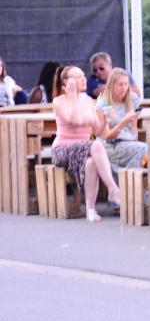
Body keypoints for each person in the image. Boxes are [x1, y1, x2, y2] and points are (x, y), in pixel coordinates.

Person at [50, 66, 121, 222]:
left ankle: (90, 210)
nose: (83, 79)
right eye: (78, 77)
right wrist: (73, 95)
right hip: (63, 149)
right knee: (94, 145)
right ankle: (113, 189)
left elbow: (96, 131)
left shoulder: (88, 100)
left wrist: (107, 120)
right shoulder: (59, 101)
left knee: (91, 163)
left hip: (85, 148)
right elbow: (74, 120)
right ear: (66, 82)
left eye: (83, 75)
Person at [95, 67, 146, 172]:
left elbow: (134, 136)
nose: (124, 88)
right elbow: (106, 137)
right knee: (144, 149)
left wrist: (132, 121)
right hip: (109, 145)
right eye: (120, 84)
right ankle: (128, 182)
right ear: (111, 85)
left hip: (128, 142)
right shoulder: (104, 104)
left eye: (126, 84)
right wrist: (124, 121)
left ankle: (128, 180)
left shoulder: (132, 99)